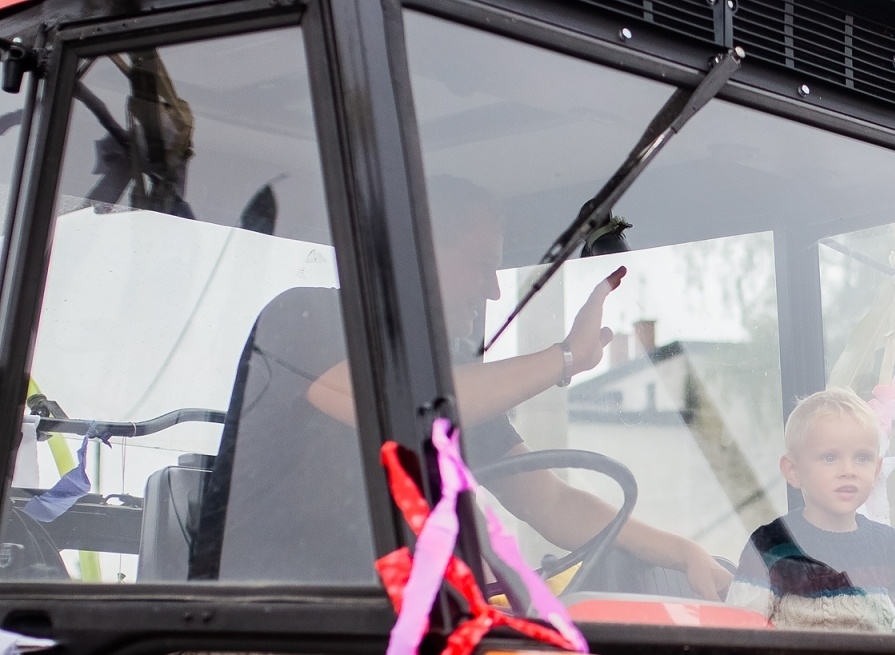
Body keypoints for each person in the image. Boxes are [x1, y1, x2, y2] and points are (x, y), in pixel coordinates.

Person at [213, 174, 728, 597]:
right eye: (481, 266)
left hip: (392, 639)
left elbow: (547, 502)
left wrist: (681, 552)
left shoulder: (453, 376)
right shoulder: (305, 321)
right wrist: (565, 357)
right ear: (415, 255)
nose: (494, 288)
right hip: (270, 632)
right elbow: (409, 410)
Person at [727, 387, 895, 636]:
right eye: (830, 457)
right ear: (793, 471)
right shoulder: (771, 544)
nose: (849, 470)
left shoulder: (888, 546)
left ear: (877, 469)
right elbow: (739, 630)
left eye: (862, 458)